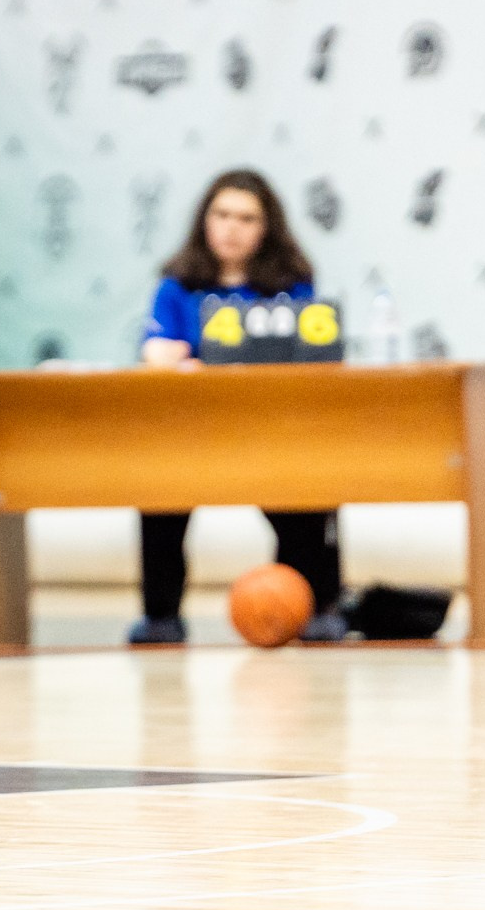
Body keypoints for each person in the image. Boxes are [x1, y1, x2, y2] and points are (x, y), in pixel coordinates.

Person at [132, 169, 345, 646]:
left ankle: (315, 605)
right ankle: (161, 615)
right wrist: (165, 355)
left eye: (246, 218)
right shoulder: (176, 287)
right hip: (192, 432)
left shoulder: (293, 284)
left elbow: (308, 355)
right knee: (159, 490)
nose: (231, 227)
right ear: (204, 221)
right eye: (221, 215)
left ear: (266, 228)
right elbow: (155, 349)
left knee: (309, 493)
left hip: (272, 431)